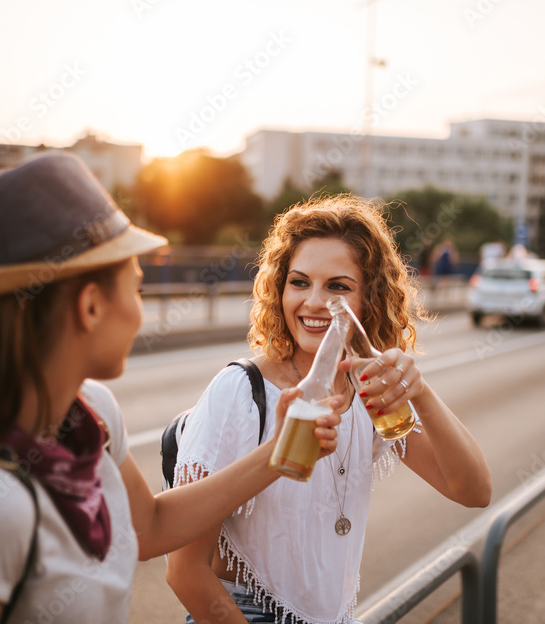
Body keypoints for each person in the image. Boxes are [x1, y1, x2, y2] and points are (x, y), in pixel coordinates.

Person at [0, 152, 341, 624]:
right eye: (136, 288)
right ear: (91, 307)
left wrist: (278, 453)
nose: (140, 312)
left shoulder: (91, 412)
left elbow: (152, 527)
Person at [167, 194, 492, 624]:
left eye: (337, 287)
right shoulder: (241, 391)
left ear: (369, 300)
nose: (315, 302)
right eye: (299, 282)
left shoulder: (370, 393)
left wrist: (421, 393)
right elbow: (184, 572)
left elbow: (472, 491)